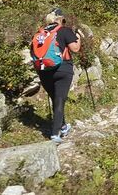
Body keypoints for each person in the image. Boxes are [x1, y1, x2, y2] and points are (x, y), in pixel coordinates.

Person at [32, 8, 81, 144]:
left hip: (43, 70)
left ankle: (63, 126)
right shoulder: (64, 31)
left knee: (55, 98)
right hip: (62, 69)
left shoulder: (40, 34)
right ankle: (55, 133)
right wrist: (78, 37)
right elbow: (75, 48)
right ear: (60, 19)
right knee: (59, 100)